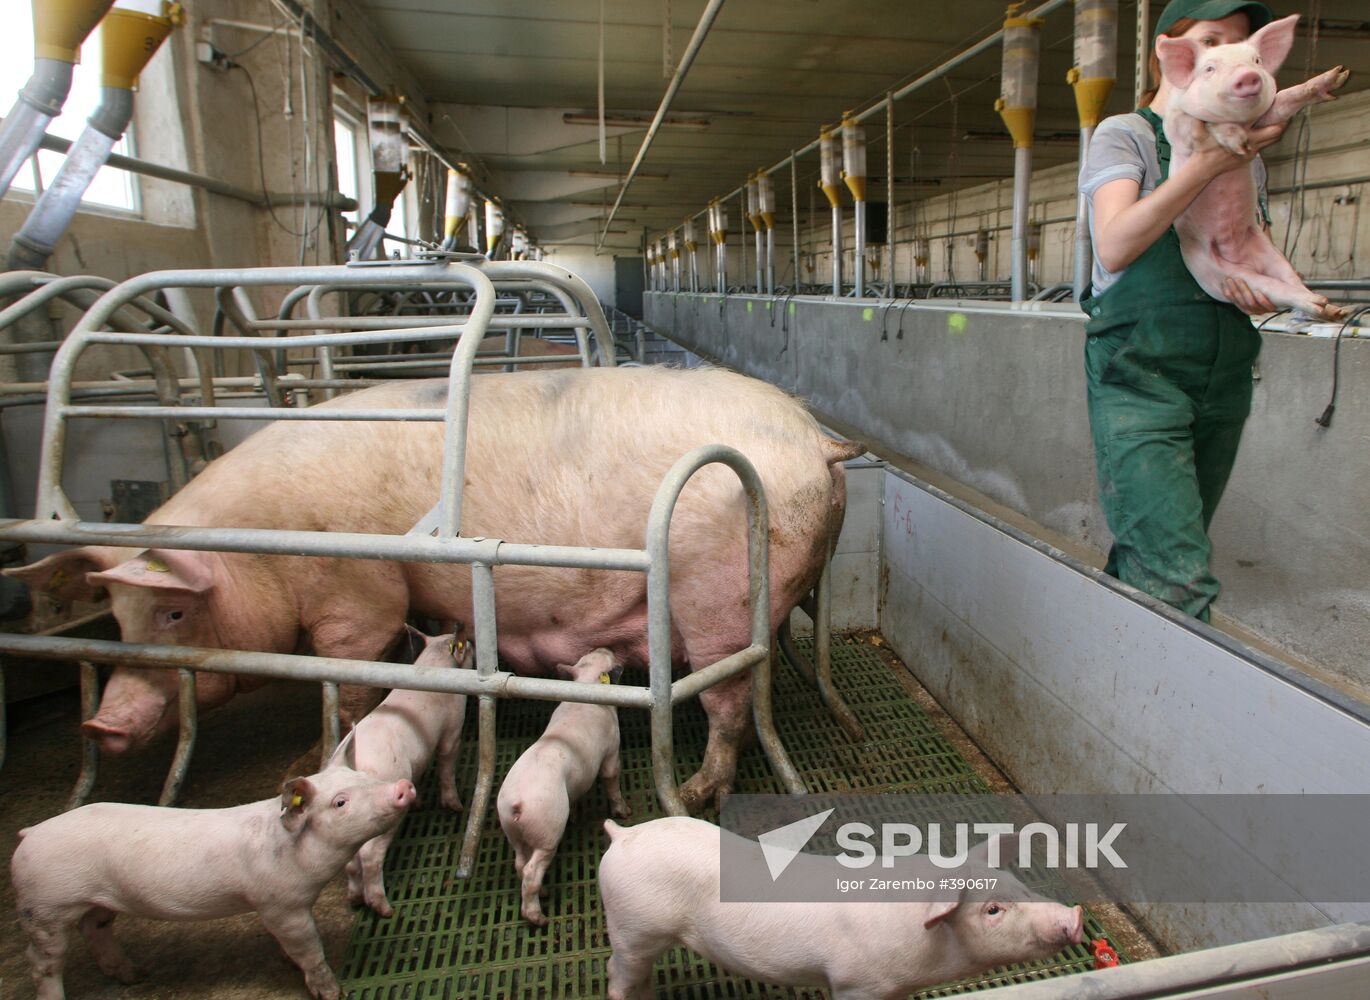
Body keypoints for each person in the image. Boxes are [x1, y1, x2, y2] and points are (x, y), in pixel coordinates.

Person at [1079, 0, 1288, 621]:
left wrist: (1255, 285)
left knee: (1155, 555)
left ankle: (1103, 670)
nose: (1231, 60)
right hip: (1140, 379)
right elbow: (1114, 245)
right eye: (1210, 41)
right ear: (1174, 55)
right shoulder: (1128, 134)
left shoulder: (1246, 154)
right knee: (1179, 580)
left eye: (1244, 47)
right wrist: (1206, 165)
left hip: (1222, 380)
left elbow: (1244, 248)